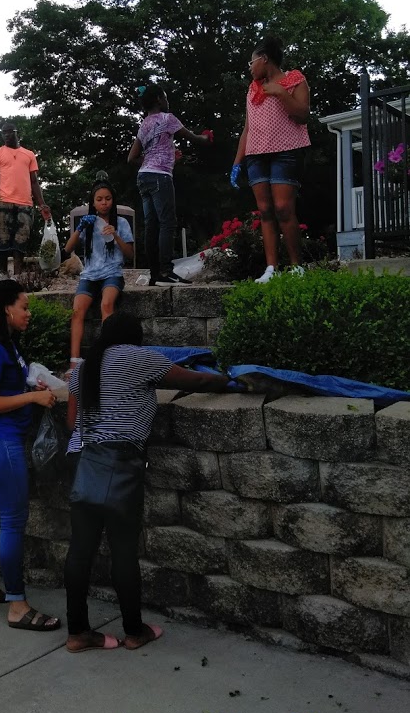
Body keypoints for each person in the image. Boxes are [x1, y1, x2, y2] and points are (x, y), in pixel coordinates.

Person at [64, 313, 239, 653]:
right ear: (135, 336)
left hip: (85, 464)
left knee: (80, 551)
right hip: (121, 466)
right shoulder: (139, 358)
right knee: (123, 551)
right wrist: (228, 380)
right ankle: (134, 631)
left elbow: (73, 421)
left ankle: (78, 633)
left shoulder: (84, 367)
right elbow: (195, 381)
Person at [0, 279, 60, 632]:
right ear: (7, 308)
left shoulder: (7, 346)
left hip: (3, 440)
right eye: (24, 306)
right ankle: (17, 606)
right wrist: (32, 398)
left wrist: (31, 386)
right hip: (0, 440)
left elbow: (5, 389)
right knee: (13, 522)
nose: (28, 313)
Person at [231, 34, 311, 284]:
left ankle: (297, 267)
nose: (250, 68)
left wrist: (281, 93)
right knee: (265, 211)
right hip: (256, 155)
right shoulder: (253, 89)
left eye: (252, 62)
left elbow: (303, 115)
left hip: (285, 152)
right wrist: (237, 162)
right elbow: (247, 128)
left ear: (264, 59)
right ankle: (270, 269)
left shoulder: (294, 80)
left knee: (284, 209)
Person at [128, 85, 212, 285]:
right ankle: (166, 271)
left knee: (151, 225)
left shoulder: (144, 124)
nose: (167, 101)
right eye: (165, 97)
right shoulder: (168, 119)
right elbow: (194, 138)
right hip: (160, 177)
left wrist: (160, 158)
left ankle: (155, 274)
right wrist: (206, 138)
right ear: (159, 99)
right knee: (167, 223)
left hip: (144, 177)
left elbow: (131, 158)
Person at [63, 177, 134, 376]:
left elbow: (130, 255)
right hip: (90, 274)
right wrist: (80, 228)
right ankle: (74, 362)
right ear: (93, 203)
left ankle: (107, 357)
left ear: (113, 200)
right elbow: (67, 249)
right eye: (99, 199)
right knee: (77, 310)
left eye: (108, 199)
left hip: (112, 272)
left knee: (106, 304)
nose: (104, 203)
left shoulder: (121, 223)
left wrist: (116, 235)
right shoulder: (89, 223)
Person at [0, 122, 51, 276]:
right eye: (3, 133)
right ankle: (3, 275)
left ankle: (18, 276)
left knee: (21, 241)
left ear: (16, 133)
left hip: (25, 203)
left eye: (9, 132)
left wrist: (42, 204)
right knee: (3, 240)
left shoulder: (29, 154)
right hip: (3, 202)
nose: (6, 135)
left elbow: (34, 181)